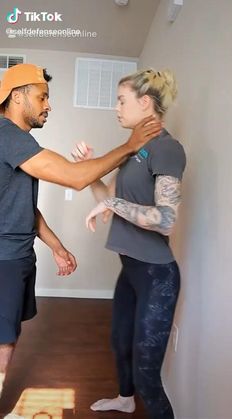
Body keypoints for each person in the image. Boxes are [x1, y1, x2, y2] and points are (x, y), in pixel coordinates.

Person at [0, 63, 162, 419]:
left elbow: (24, 208)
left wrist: (56, 247)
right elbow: (74, 178)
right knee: (3, 342)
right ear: (17, 96)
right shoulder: (8, 136)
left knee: (8, 335)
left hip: (17, 256)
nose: (48, 105)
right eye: (42, 97)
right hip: (4, 260)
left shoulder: (17, 141)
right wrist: (129, 145)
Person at [72, 68, 186, 419]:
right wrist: (90, 170)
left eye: (122, 100)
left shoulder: (167, 149)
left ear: (145, 103)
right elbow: (108, 199)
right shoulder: (134, 152)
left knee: (147, 376)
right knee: (120, 344)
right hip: (131, 269)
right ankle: (124, 399)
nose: (117, 108)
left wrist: (111, 203)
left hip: (157, 275)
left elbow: (166, 220)